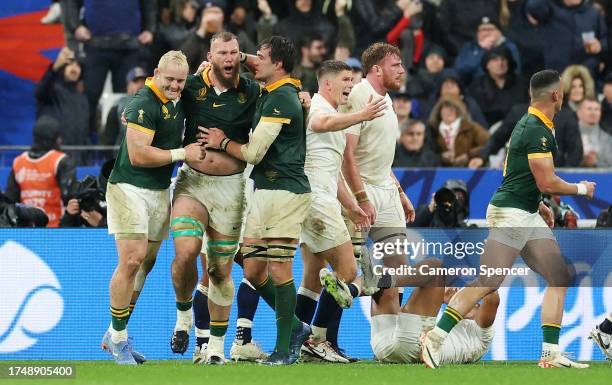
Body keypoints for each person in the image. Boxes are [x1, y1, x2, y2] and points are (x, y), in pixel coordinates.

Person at [421, 69, 595, 369]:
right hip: (510, 213)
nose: (564, 96)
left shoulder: (537, 124)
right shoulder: (536, 130)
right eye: (562, 91)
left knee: (559, 276)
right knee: (489, 280)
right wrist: (581, 188)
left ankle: (550, 352)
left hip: (523, 211)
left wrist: (538, 203)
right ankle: (435, 339)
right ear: (555, 94)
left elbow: (523, 176)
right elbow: (547, 182)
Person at [201, 36, 312, 365]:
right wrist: (230, 55)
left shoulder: (283, 100)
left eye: (260, 58)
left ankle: (284, 349)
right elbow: (254, 61)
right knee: (250, 265)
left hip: (285, 191)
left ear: (277, 65)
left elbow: (253, 152)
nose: (252, 62)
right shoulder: (273, 91)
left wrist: (222, 143)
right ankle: (294, 326)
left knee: (279, 268)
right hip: (264, 189)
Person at [101, 51, 204, 365]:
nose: (174, 85)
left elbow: (202, 78)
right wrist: (182, 153)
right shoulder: (143, 103)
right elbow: (138, 156)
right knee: (131, 260)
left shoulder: (179, 92)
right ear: (156, 73)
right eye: (169, 79)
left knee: (145, 264)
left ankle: (115, 332)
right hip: (129, 187)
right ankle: (118, 340)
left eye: (180, 80)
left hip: (159, 191)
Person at [168, 31, 263, 365]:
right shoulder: (192, 87)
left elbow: (281, 86)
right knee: (186, 252)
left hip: (232, 189)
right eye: (221, 52)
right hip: (192, 182)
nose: (228, 58)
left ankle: (216, 350)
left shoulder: (251, 91)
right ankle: (183, 317)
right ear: (209, 56)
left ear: (240, 56)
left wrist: (304, 99)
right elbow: (161, 85)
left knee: (221, 271)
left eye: (234, 52)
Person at [293, 60, 384, 362]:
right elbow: (319, 124)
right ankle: (317, 340)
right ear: (328, 83)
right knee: (347, 271)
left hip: (319, 198)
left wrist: (352, 207)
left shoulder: (332, 112)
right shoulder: (318, 108)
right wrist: (361, 115)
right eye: (346, 79)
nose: (351, 84)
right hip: (316, 202)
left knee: (311, 278)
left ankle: (292, 341)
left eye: (353, 79)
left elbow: (333, 173)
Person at [340, 42, 416, 294]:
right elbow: (346, 155)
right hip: (359, 190)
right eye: (395, 65)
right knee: (346, 270)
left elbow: (382, 159)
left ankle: (386, 331)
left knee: (399, 270)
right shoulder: (358, 96)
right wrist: (361, 198)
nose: (402, 70)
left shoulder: (388, 100)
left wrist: (401, 192)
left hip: (386, 191)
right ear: (377, 69)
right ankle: (321, 333)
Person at [62, 0, 156, 132]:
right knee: (89, 97)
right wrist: (76, 26)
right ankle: (85, 143)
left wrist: (150, 29)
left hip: (129, 47)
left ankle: (119, 146)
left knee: (127, 100)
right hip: (95, 43)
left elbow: (149, 4)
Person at [372, 287, 499, 364]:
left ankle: (356, 288)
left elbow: (492, 299)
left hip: (415, 349)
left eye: (476, 304)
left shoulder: (482, 333)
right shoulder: (446, 321)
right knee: (387, 271)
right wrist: (450, 299)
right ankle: (358, 286)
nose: (467, 304)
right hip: (382, 346)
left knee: (434, 269)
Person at [5, 116, 75, 228]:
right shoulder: (61, 161)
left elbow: (9, 201)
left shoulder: (18, 162)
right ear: (54, 138)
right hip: (56, 230)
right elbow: (70, 197)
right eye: (58, 136)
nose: (60, 140)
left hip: (27, 231)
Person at [35, 46, 90, 164]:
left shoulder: (83, 98)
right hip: (52, 157)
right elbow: (40, 91)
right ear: (62, 67)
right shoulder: (52, 90)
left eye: (78, 65)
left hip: (78, 159)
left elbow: (85, 131)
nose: (74, 68)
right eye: (70, 64)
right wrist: (54, 67)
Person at [525, 0, 607, 77]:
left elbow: (605, 39)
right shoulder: (550, 9)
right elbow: (533, 7)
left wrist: (600, 46)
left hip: (585, 78)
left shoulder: (593, 13)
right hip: (556, 76)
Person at [180, 1, 256, 73]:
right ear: (202, 17)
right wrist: (200, 33)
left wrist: (220, 32)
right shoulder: (193, 35)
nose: (211, 17)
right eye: (208, 13)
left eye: (216, 13)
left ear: (222, 16)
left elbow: (255, 61)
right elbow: (180, 62)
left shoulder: (237, 34)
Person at [468, 45, 528, 127]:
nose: (500, 63)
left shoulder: (522, 83)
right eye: (495, 60)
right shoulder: (477, 86)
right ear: (487, 65)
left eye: (503, 59)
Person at [453, 16, 521, 86]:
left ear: (499, 32)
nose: (487, 33)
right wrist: (481, 49)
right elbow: (460, 71)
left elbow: (515, 71)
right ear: (477, 34)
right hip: (474, 88)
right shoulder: (469, 47)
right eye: (483, 30)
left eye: (490, 29)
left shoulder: (509, 46)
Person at [428, 96, 490, 167]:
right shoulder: (432, 130)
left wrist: (468, 155)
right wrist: (441, 157)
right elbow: (428, 153)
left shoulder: (471, 127)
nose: (449, 111)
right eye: (445, 108)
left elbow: (489, 145)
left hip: (470, 168)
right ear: (439, 112)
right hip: (442, 171)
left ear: (458, 111)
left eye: (452, 108)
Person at [101, 67, 148, 147]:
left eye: (144, 81)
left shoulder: (156, 104)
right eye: (136, 81)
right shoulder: (118, 105)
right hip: (125, 152)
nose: (141, 84)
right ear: (128, 86)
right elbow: (109, 138)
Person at [576, 98, 612, 167]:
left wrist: (597, 162)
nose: (593, 112)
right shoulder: (568, 135)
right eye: (589, 109)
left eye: (597, 109)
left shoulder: (608, 138)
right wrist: (582, 160)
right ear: (579, 113)